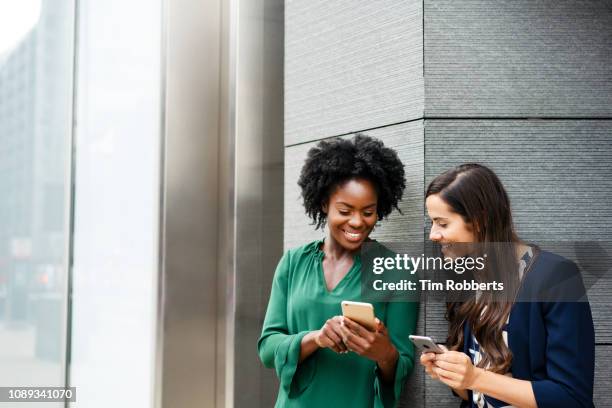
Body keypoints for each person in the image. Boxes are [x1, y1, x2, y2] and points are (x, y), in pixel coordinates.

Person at [258, 134, 418, 407]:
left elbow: (402, 366)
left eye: (368, 212)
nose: (357, 222)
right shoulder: (293, 263)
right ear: (324, 204)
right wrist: (316, 338)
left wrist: (385, 353)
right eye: (345, 210)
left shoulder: (398, 272)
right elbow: (268, 348)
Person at [420, 163, 595, 407]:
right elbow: (475, 396)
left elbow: (571, 397)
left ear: (480, 219)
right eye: (432, 223)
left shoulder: (556, 276)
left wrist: (475, 377)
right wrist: (456, 377)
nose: (433, 235)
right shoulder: (469, 278)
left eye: (443, 223)